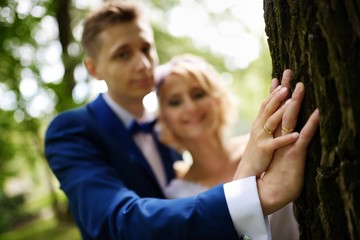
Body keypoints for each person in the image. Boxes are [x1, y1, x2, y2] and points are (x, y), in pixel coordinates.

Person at [44, 1, 320, 240]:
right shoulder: (72, 130)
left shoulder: (162, 135)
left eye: (145, 48)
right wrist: (252, 197)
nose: (142, 64)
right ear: (94, 69)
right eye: (122, 54)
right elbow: (116, 223)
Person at [155, 54, 302, 239]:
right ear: (164, 116)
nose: (190, 107)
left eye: (198, 94)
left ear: (217, 99)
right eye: (175, 102)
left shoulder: (263, 144)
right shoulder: (176, 195)